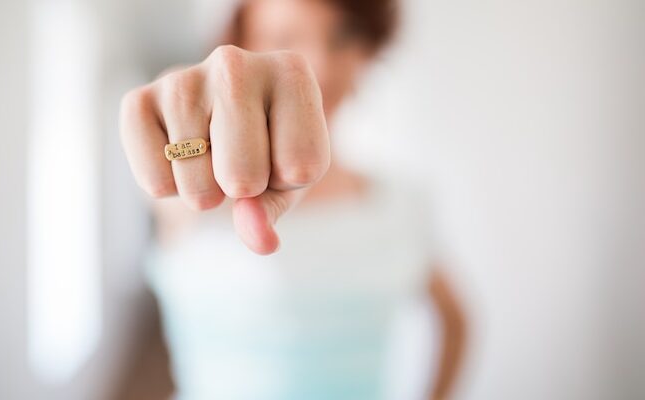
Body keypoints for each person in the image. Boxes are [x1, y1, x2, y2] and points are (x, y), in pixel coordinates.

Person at [119, 0, 467, 398]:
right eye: (284, 39)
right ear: (239, 51)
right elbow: (172, 192)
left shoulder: (403, 203)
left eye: (343, 36)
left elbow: (456, 321)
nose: (318, 64)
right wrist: (178, 111)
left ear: (371, 48)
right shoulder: (196, 195)